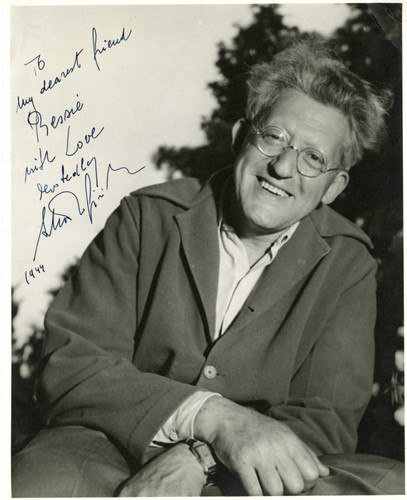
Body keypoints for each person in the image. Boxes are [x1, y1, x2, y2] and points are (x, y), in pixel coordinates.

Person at [12, 40, 404, 496]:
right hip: (109, 446)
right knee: (41, 486)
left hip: (257, 471)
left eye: (313, 158)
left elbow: (327, 422)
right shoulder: (145, 217)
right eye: (274, 137)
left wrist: (202, 456)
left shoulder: (348, 262)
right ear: (240, 137)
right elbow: (71, 367)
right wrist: (212, 417)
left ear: (334, 187)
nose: (282, 167)